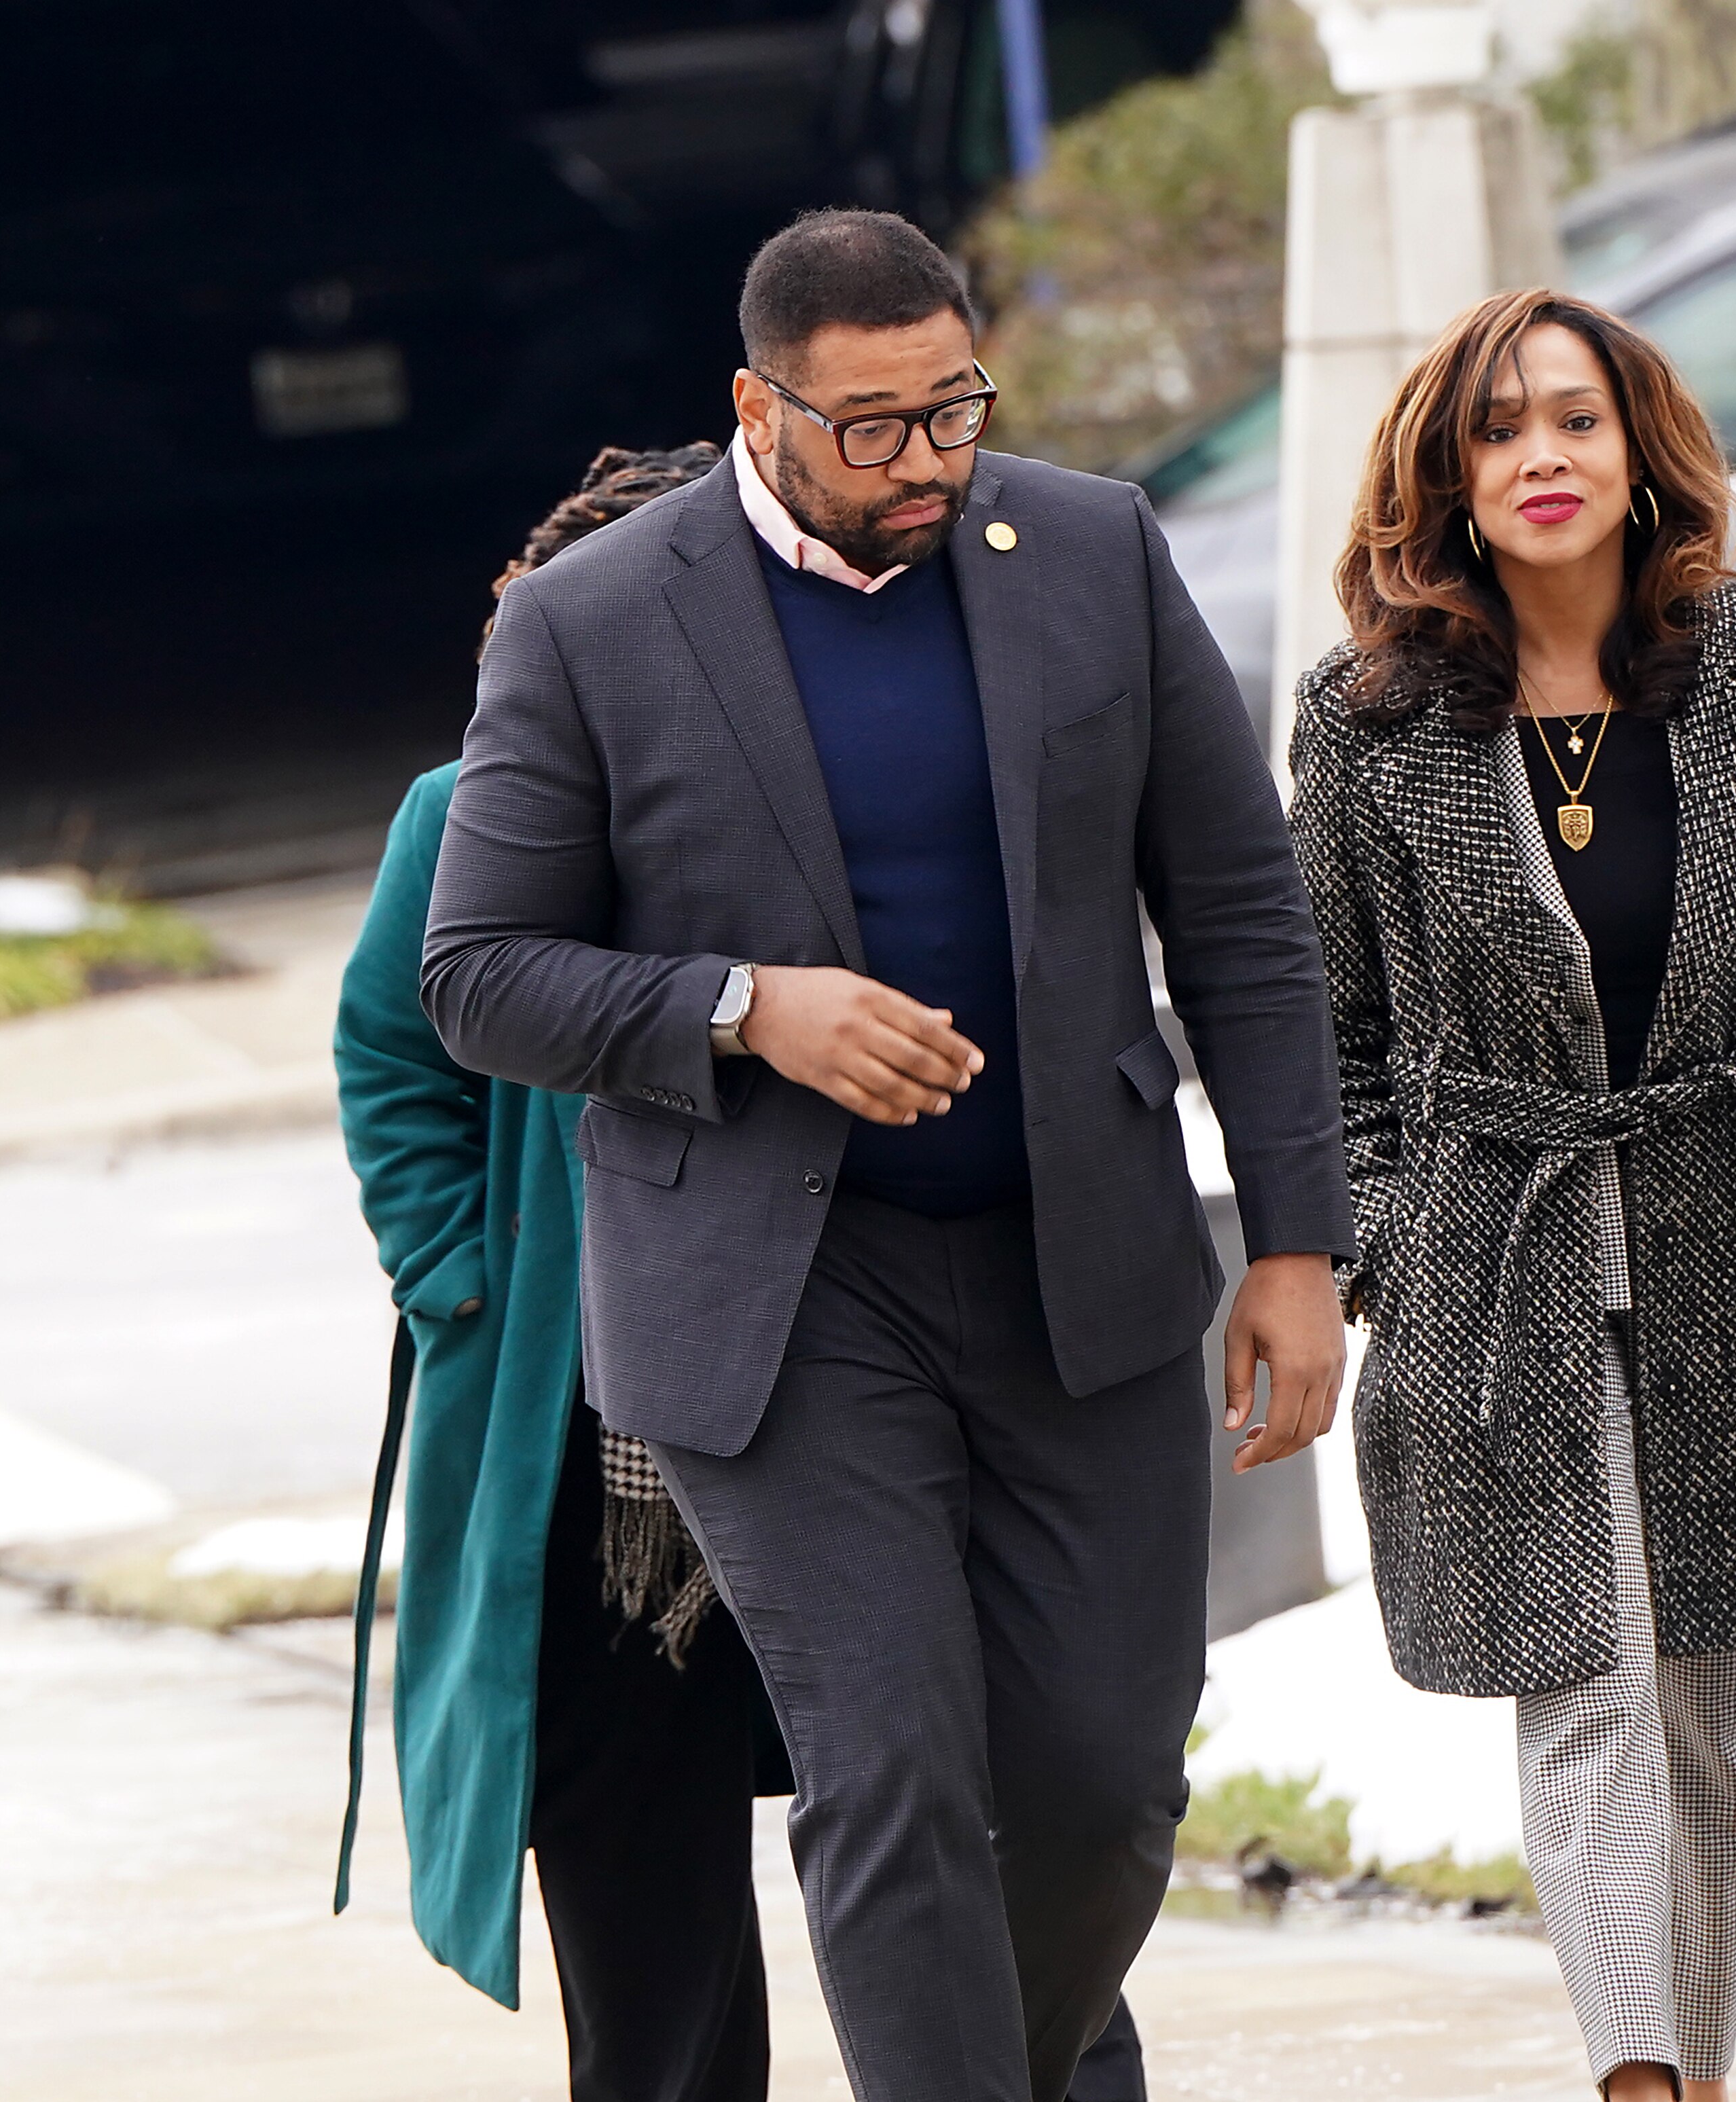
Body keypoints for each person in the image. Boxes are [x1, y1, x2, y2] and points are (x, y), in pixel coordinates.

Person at [420, 210, 1351, 2102]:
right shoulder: (597, 624)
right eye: (872, 427)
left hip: (1071, 1271)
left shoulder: (1090, 549)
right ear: (757, 410)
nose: (925, 461)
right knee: (891, 1780)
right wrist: (740, 1008)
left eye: (955, 409)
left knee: (1103, 1785)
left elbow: (1242, 915)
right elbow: (476, 976)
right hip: (782, 1315)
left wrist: (1297, 1243)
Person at [336, 440, 1156, 2102]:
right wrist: (465, 1285)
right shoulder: (459, 816)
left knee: (960, 1813)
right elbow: (392, 1053)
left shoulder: (843, 791)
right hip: (598, 1457)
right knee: (643, 1896)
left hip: (839, 1378)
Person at [1288, 289, 1736, 2102]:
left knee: (1710, 1726)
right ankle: (1637, 2080)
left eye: (1572, 419)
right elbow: (1324, 1037)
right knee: (1585, 1698)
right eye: (1495, 430)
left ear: (1637, 451)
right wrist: (1390, 1244)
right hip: (1501, 1270)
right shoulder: (1367, 723)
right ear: (1445, 480)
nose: (1538, 458)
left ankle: (1690, 2072)